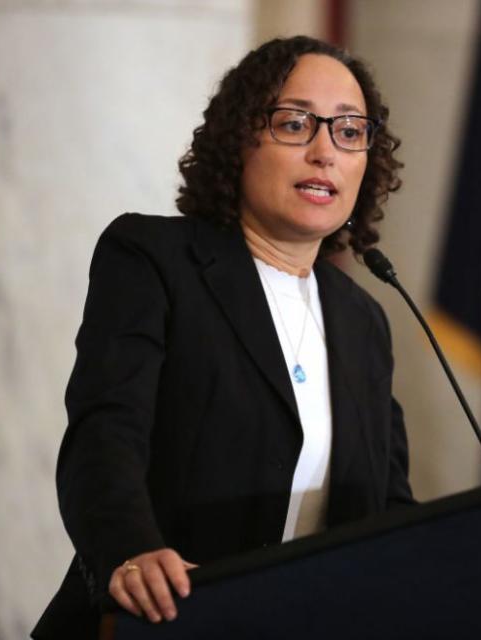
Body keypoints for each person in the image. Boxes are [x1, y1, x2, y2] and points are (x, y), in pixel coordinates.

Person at [31, 35, 415, 639]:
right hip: (157, 622)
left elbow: (389, 512)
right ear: (239, 138)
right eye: (295, 124)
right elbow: (106, 431)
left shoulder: (364, 319)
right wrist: (129, 549)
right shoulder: (155, 259)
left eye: (349, 131)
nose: (325, 152)